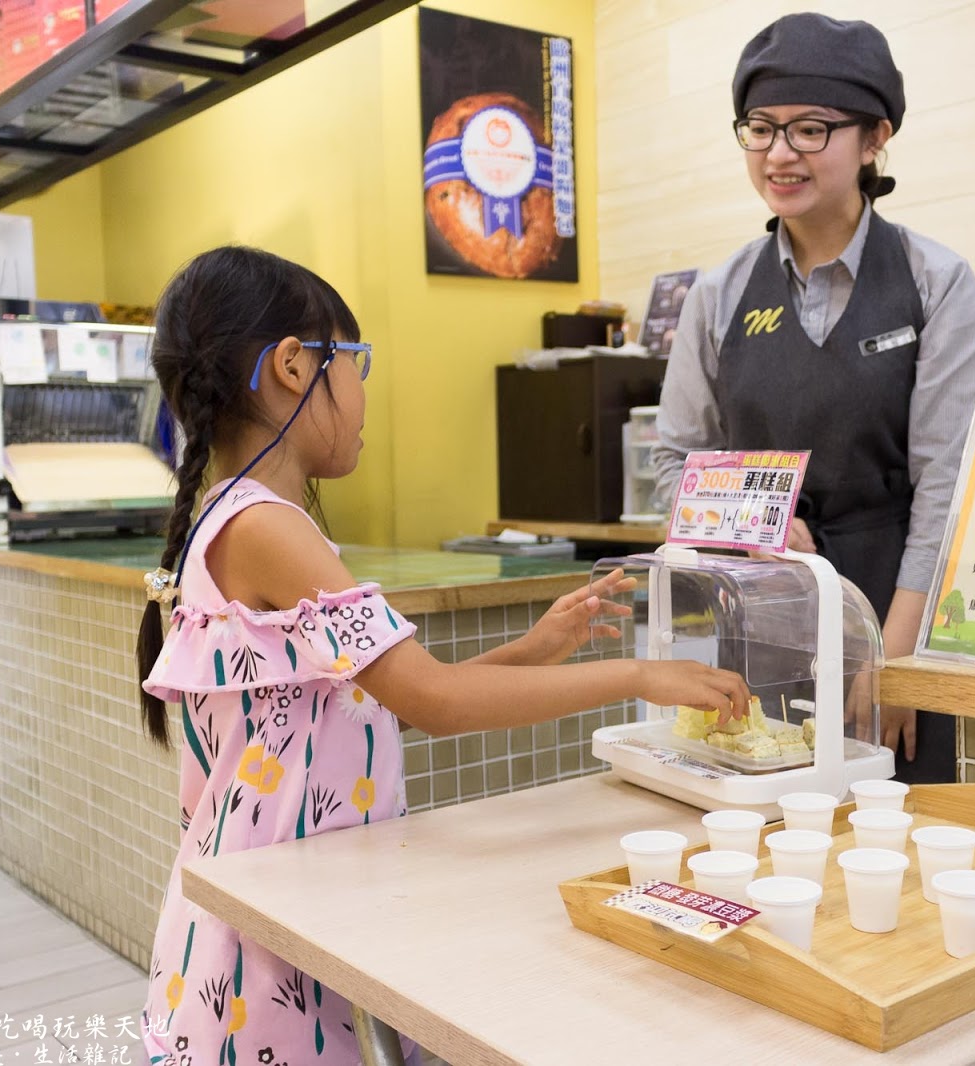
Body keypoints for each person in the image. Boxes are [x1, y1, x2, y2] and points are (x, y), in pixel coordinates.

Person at [133, 246, 749, 1066]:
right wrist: (641, 674)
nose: (360, 392)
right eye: (354, 363)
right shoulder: (266, 528)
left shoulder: (246, 518)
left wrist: (533, 650)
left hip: (293, 897)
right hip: (275, 930)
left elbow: (378, 697)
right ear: (292, 366)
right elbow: (435, 702)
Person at [652, 13, 975, 784]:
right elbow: (676, 461)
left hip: (899, 603)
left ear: (874, 138)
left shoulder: (937, 282)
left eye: (812, 129)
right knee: (767, 837)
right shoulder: (720, 292)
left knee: (899, 838)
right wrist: (753, 527)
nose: (780, 153)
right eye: (761, 128)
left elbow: (951, 485)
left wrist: (899, 662)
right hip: (760, 613)